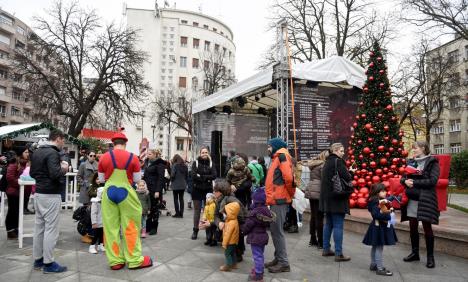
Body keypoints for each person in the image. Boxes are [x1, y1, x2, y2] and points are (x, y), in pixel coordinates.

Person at [98, 132, 153, 270]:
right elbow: (136, 180)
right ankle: (134, 259)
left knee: (110, 228)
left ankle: (115, 260)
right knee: (131, 226)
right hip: (126, 193)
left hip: (109, 192)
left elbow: (102, 179)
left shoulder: (104, 157)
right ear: (125, 143)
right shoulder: (133, 158)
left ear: (113, 143)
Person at [30, 130, 70, 273]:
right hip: (51, 195)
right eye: (63, 140)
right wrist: (64, 169)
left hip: (39, 193)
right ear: (58, 138)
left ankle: (38, 260)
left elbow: (32, 173)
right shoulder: (53, 153)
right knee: (51, 230)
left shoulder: (38, 152)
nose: (63, 143)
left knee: (39, 229)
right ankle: (48, 263)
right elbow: (55, 174)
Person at [400, 141, 440, 268]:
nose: (413, 151)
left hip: (425, 200)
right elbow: (403, 178)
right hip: (412, 199)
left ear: (423, 148)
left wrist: (415, 183)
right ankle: (415, 253)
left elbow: (433, 181)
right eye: (413, 149)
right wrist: (405, 182)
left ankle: (430, 257)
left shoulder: (432, 162)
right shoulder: (411, 161)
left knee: (427, 228)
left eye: (415, 148)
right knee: (412, 228)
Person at [264, 137, 295, 273]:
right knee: (275, 231)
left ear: (275, 146)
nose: (268, 149)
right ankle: (278, 258)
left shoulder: (282, 156)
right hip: (276, 199)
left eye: (269, 146)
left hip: (279, 200)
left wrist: (289, 194)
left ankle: (283, 263)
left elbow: (289, 179)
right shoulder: (278, 157)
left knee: (277, 232)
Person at [319, 143, 353, 262]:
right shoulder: (338, 162)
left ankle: (326, 249)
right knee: (338, 225)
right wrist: (351, 172)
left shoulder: (327, 162)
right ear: (335, 150)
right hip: (337, 198)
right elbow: (347, 177)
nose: (343, 153)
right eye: (341, 151)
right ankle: (338, 253)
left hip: (327, 199)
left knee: (328, 224)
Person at [362, 183, 397, 276]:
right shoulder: (375, 201)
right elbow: (375, 214)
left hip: (379, 227)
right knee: (379, 247)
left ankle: (374, 264)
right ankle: (380, 268)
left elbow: (386, 210)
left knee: (375, 246)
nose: (385, 192)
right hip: (379, 227)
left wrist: (390, 208)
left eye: (385, 190)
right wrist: (389, 216)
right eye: (383, 191)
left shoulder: (380, 200)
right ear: (377, 192)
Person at [242, 188, 276, 281]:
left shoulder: (255, 212)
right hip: (263, 236)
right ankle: (259, 270)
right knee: (260, 254)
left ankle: (258, 274)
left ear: (256, 200)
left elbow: (248, 225)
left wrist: (242, 231)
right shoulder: (266, 211)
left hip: (255, 238)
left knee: (257, 256)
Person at [190, 147, 217, 240]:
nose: (204, 154)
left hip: (208, 190)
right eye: (202, 152)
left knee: (209, 211)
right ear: (200, 153)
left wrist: (202, 176)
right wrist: (206, 177)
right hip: (197, 189)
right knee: (197, 211)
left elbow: (214, 175)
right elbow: (193, 175)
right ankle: (195, 230)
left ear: (208, 153)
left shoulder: (211, 163)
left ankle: (208, 232)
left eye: (206, 152)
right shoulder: (195, 163)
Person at [304, 150, 329, 248]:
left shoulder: (314, 165)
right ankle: (320, 241)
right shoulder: (323, 166)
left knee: (313, 216)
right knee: (319, 217)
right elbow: (324, 180)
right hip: (318, 191)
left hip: (311, 190)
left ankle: (312, 239)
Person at [143, 149, 166, 235]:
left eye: (149, 154)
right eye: (147, 154)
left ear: (155, 155)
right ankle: (148, 226)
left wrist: (158, 191)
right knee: (148, 208)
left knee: (154, 208)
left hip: (155, 189)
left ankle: (154, 227)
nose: (147, 155)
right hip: (147, 189)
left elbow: (161, 178)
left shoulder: (159, 164)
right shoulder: (146, 162)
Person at [219, 201, 241, 272]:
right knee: (232, 253)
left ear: (230, 213)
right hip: (234, 242)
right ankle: (234, 264)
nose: (224, 215)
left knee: (227, 253)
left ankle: (228, 265)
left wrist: (224, 243)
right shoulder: (234, 220)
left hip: (229, 242)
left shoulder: (231, 223)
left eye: (225, 213)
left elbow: (227, 235)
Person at [5, 151, 20, 239]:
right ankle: (10, 230)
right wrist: (19, 182)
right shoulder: (13, 164)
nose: (27, 154)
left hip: (15, 191)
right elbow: (10, 178)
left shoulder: (17, 164)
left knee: (15, 211)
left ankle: (14, 229)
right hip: (12, 191)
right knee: (12, 211)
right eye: (25, 152)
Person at [89, 187, 105, 254]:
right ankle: (92, 247)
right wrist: (94, 222)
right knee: (95, 235)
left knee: (101, 234)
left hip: (103, 221)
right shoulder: (95, 202)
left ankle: (100, 245)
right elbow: (93, 213)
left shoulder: (104, 201)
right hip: (97, 222)